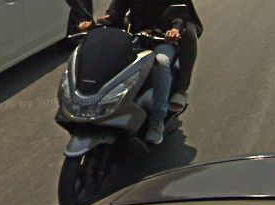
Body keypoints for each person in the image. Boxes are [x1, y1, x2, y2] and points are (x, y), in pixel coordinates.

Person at [79, 0, 203, 144]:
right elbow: (116, 12)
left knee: (160, 62)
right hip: (136, 36)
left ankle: (157, 121)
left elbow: (180, 15)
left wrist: (175, 30)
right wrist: (94, 25)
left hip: (162, 38)